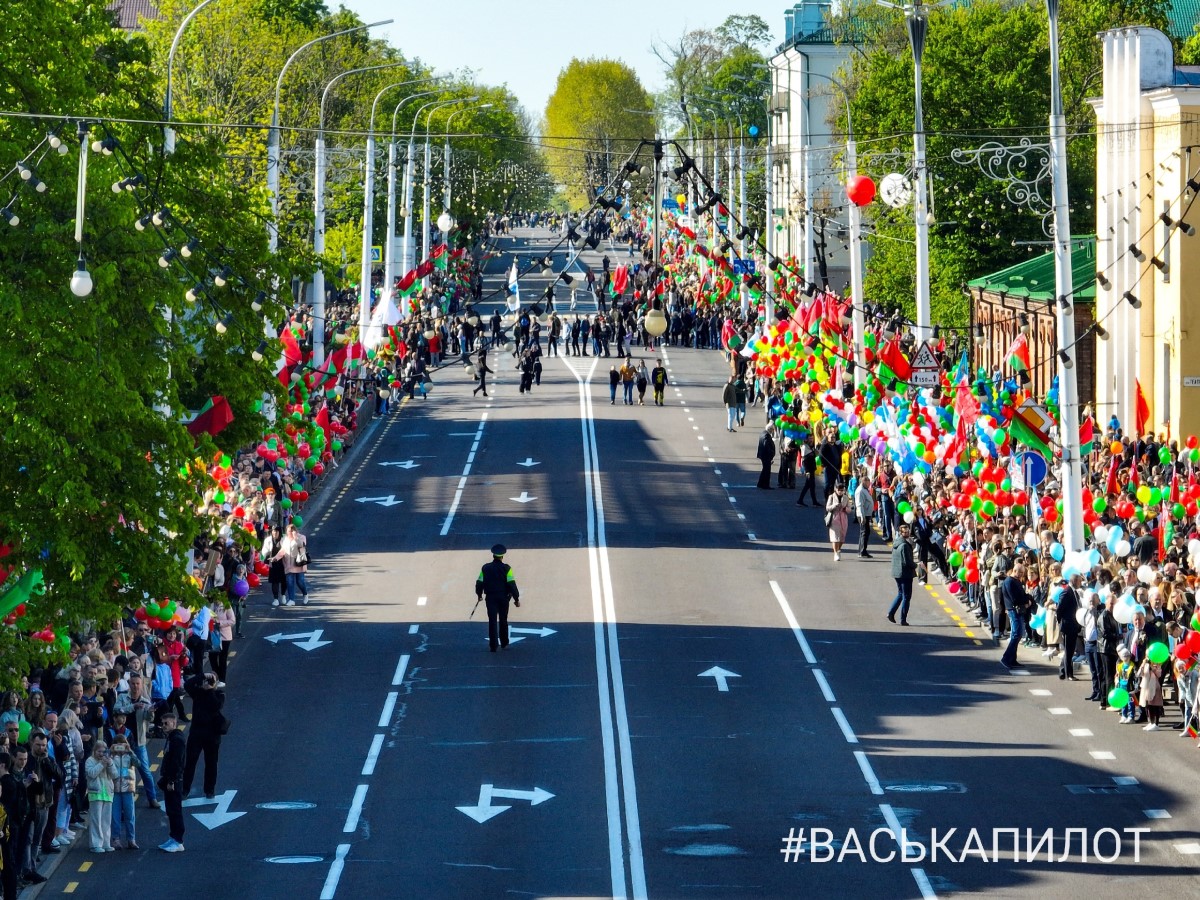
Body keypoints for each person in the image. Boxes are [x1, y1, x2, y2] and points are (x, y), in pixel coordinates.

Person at [182, 673, 225, 800]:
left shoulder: (219, 694)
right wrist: (202, 676)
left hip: (212, 734)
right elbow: (187, 684)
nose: (209, 682)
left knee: (211, 763)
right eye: (208, 680)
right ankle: (185, 789)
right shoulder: (198, 693)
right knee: (190, 762)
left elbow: (216, 706)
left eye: (212, 680)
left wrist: (210, 690)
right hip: (197, 732)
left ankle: (210, 790)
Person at [476, 544, 520, 653]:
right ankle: (504, 642)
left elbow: (479, 582)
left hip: (490, 597)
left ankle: (493, 645)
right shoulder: (507, 568)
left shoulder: (485, 568)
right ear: (502, 556)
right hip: (504, 597)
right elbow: (512, 584)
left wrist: (479, 595)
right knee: (503, 619)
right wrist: (516, 599)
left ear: (493, 555)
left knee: (492, 621)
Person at [157, 711, 186, 852]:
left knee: (175, 810)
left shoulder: (177, 740)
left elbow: (177, 762)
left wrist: (172, 780)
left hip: (174, 780)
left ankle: (178, 840)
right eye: (162, 723)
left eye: (166, 723)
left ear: (174, 723)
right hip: (171, 778)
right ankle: (173, 837)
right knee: (170, 810)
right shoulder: (171, 738)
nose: (163, 726)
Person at [1000, 563, 1034, 670]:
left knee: (1017, 634)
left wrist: (1027, 597)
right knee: (1016, 634)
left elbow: (1022, 594)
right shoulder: (1009, 582)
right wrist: (1026, 601)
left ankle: (1012, 659)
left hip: (1017, 610)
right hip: (1014, 610)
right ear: (1015, 571)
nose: (1022, 575)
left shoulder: (1016, 581)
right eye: (1021, 572)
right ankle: (1006, 658)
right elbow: (1015, 598)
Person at [84, 741, 115, 853]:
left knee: (106, 821)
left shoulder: (109, 760)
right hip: (95, 793)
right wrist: (101, 764)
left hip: (107, 794)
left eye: (103, 751)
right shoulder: (90, 761)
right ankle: (96, 844)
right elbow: (91, 773)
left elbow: (115, 775)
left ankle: (106, 843)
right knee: (96, 820)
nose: (101, 754)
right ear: (94, 751)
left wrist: (110, 764)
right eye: (99, 751)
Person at [108, 736, 137, 850]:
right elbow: (104, 761)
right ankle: (116, 839)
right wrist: (110, 751)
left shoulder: (129, 755)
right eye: (117, 744)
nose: (120, 747)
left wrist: (130, 751)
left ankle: (131, 839)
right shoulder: (111, 755)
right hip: (114, 789)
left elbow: (138, 763)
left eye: (122, 744)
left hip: (128, 789)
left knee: (130, 816)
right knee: (115, 816)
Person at [271, 523, 309, 606]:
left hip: (299, 563)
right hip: (288, 564)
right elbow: (282, 551)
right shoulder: (285, 539)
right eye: (288, 531)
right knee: (289, 582)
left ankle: (305, 594)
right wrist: (275, 558)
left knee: (300, 582)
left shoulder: (301, 537)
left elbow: (302, 546)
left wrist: (295, 538)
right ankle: (292, 599)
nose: (290, 533)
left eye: (292, 531)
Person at [888, 522, 917, 625]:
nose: (908, 533)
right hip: (905, 574)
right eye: (905, 532)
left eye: (908, 531)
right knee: (906, 596)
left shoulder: (896, 542)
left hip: (897, 573)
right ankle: (903, 619)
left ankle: (891, 613)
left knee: (901, 594)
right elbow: (907, 562)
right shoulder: (904, 545)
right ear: (901, 533)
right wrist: (916, 565)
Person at [1056, 572, 1083, 680]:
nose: (1081, 583)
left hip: (1073, 625)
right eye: (1080, 581)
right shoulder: (1067, 592)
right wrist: (1060, 622)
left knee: (1069, 649)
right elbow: (1059, 609)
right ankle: (1069, 674)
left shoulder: (1074, 592)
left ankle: (1062, 671)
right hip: (1068, 625)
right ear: (1075, 581)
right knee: (1069, 650)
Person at [261, 525, 287, 607]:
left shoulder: (284, 540)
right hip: (273, 563)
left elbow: (286, 550)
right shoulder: (268, 540)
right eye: (273, 531)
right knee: (274, 582)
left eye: (276, 531)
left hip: (283, 563)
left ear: (280, 532)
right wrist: (268, 555)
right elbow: (264, 551)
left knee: (284, 581)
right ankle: (275, 599)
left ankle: (283, 595)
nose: (274, 533)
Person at [825, 482, 852, 561]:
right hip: (834, 519)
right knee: (835, 537)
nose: (840, 491)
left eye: (842, 490)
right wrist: (834, 505)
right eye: (839, 490)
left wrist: (845, 509)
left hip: (843, 519)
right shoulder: (831, 497)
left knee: (842, 537)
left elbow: (850, 509)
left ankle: (838, 550)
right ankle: (835, 553)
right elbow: (827, 508)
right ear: (835, 489)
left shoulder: (846, 498)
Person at [854, 474, 875, 558]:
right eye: (868, 483)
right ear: (864, 482)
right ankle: (862, 551)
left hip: (866, 514)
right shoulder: (860, 491)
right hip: (863, 514)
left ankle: (863, 550)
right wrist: (862, 516)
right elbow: (859, 505)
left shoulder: (864, 489)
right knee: (864, 533)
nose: (869, 484)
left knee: (866, 532)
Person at [796, 434, 818, 507]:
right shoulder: (805, 447)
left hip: (812, 468)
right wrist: (807, 471)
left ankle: (813, 501)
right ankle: (800, 500)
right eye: (810, 438)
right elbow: (804, 461)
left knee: (810, 486)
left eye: (812, 438)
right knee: (809, 486)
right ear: (806, 439)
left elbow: (815, 455)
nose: (811, 440)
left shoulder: (811, 446)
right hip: (809, 469)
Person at [756, 425, 776, 490]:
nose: (773, 431)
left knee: (764, 469)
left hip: (762, 455)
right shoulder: (767, 435)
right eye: (772, 430)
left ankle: (760, 483)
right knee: (767, 470)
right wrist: (771, 454)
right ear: (770, 429)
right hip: (766, 456)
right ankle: (765, 485)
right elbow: (766, 446)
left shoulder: (763, 433)